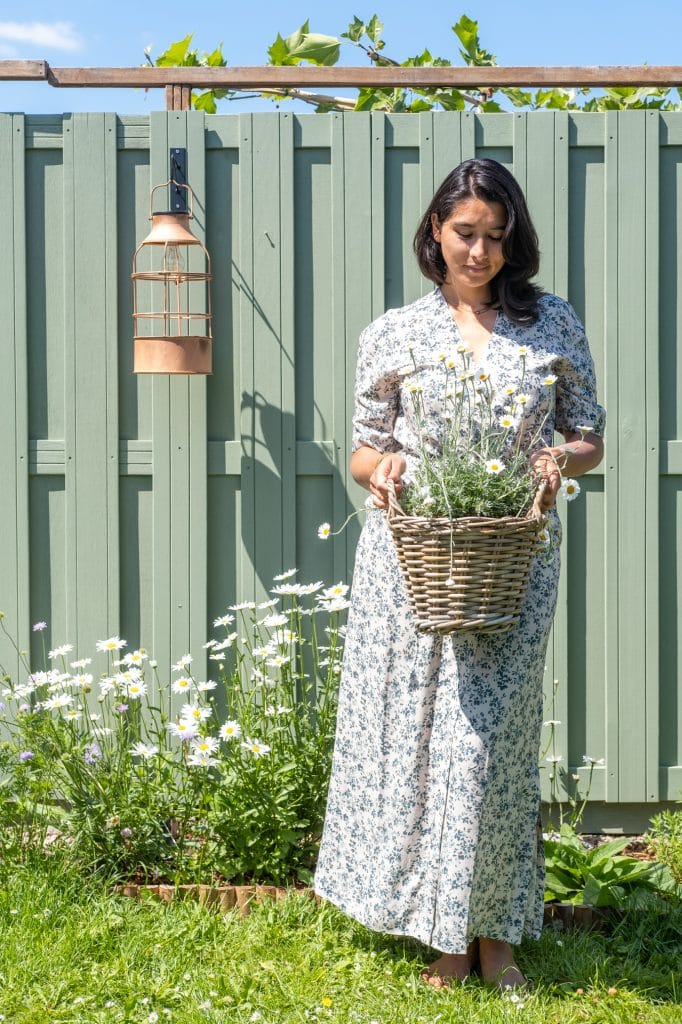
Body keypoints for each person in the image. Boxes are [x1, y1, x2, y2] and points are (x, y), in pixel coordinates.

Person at [313, 158, 605, 990]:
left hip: (511, 561)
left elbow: (591, 435)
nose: (479, 252)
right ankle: (443, 935)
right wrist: (382, 473)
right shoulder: (395, 332)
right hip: (414, 565)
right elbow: (363, 450)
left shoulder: (551, 324)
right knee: (423, 747)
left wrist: (559, 457)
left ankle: (498, 936)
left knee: (492, 747)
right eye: (465, 234)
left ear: (516, 243)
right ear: (435, 235)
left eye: (496, 238)